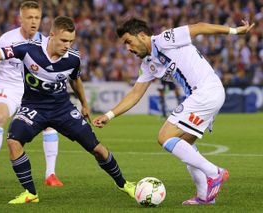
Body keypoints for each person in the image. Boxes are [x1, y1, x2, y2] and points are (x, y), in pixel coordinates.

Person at [0, 16, 135, 204]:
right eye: (63, 40)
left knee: (97, 149)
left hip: (62, 109)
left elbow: (75, 80)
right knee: (13, 142)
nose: (67, 45)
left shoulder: (73, 59)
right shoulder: (29, 50)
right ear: (52, 35)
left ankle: (124, 184)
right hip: (33, 108)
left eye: (71, 41)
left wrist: (84, 104)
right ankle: (30, 193)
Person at [93, 18, 254, 205]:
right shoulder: (148, 64)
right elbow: (135, 94)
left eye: (128, 41)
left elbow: (199, 27)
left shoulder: (164, 39)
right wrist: (109, 115)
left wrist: (235, 31)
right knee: (185, 144)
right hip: (204, 94)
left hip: (205, 91)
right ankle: (204, 196)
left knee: (165, 136)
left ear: (142, 36)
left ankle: (214, 172)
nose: (127, 48)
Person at [0, 1, 63, 187]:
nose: (34, 21)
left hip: (31, 90)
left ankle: (50, 174)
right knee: (0, 115)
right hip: (7, 87)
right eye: (29, 17)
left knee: (50, 124)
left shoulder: (45, 43)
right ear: (20, 19)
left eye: (37, 17)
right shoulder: (7, 39)